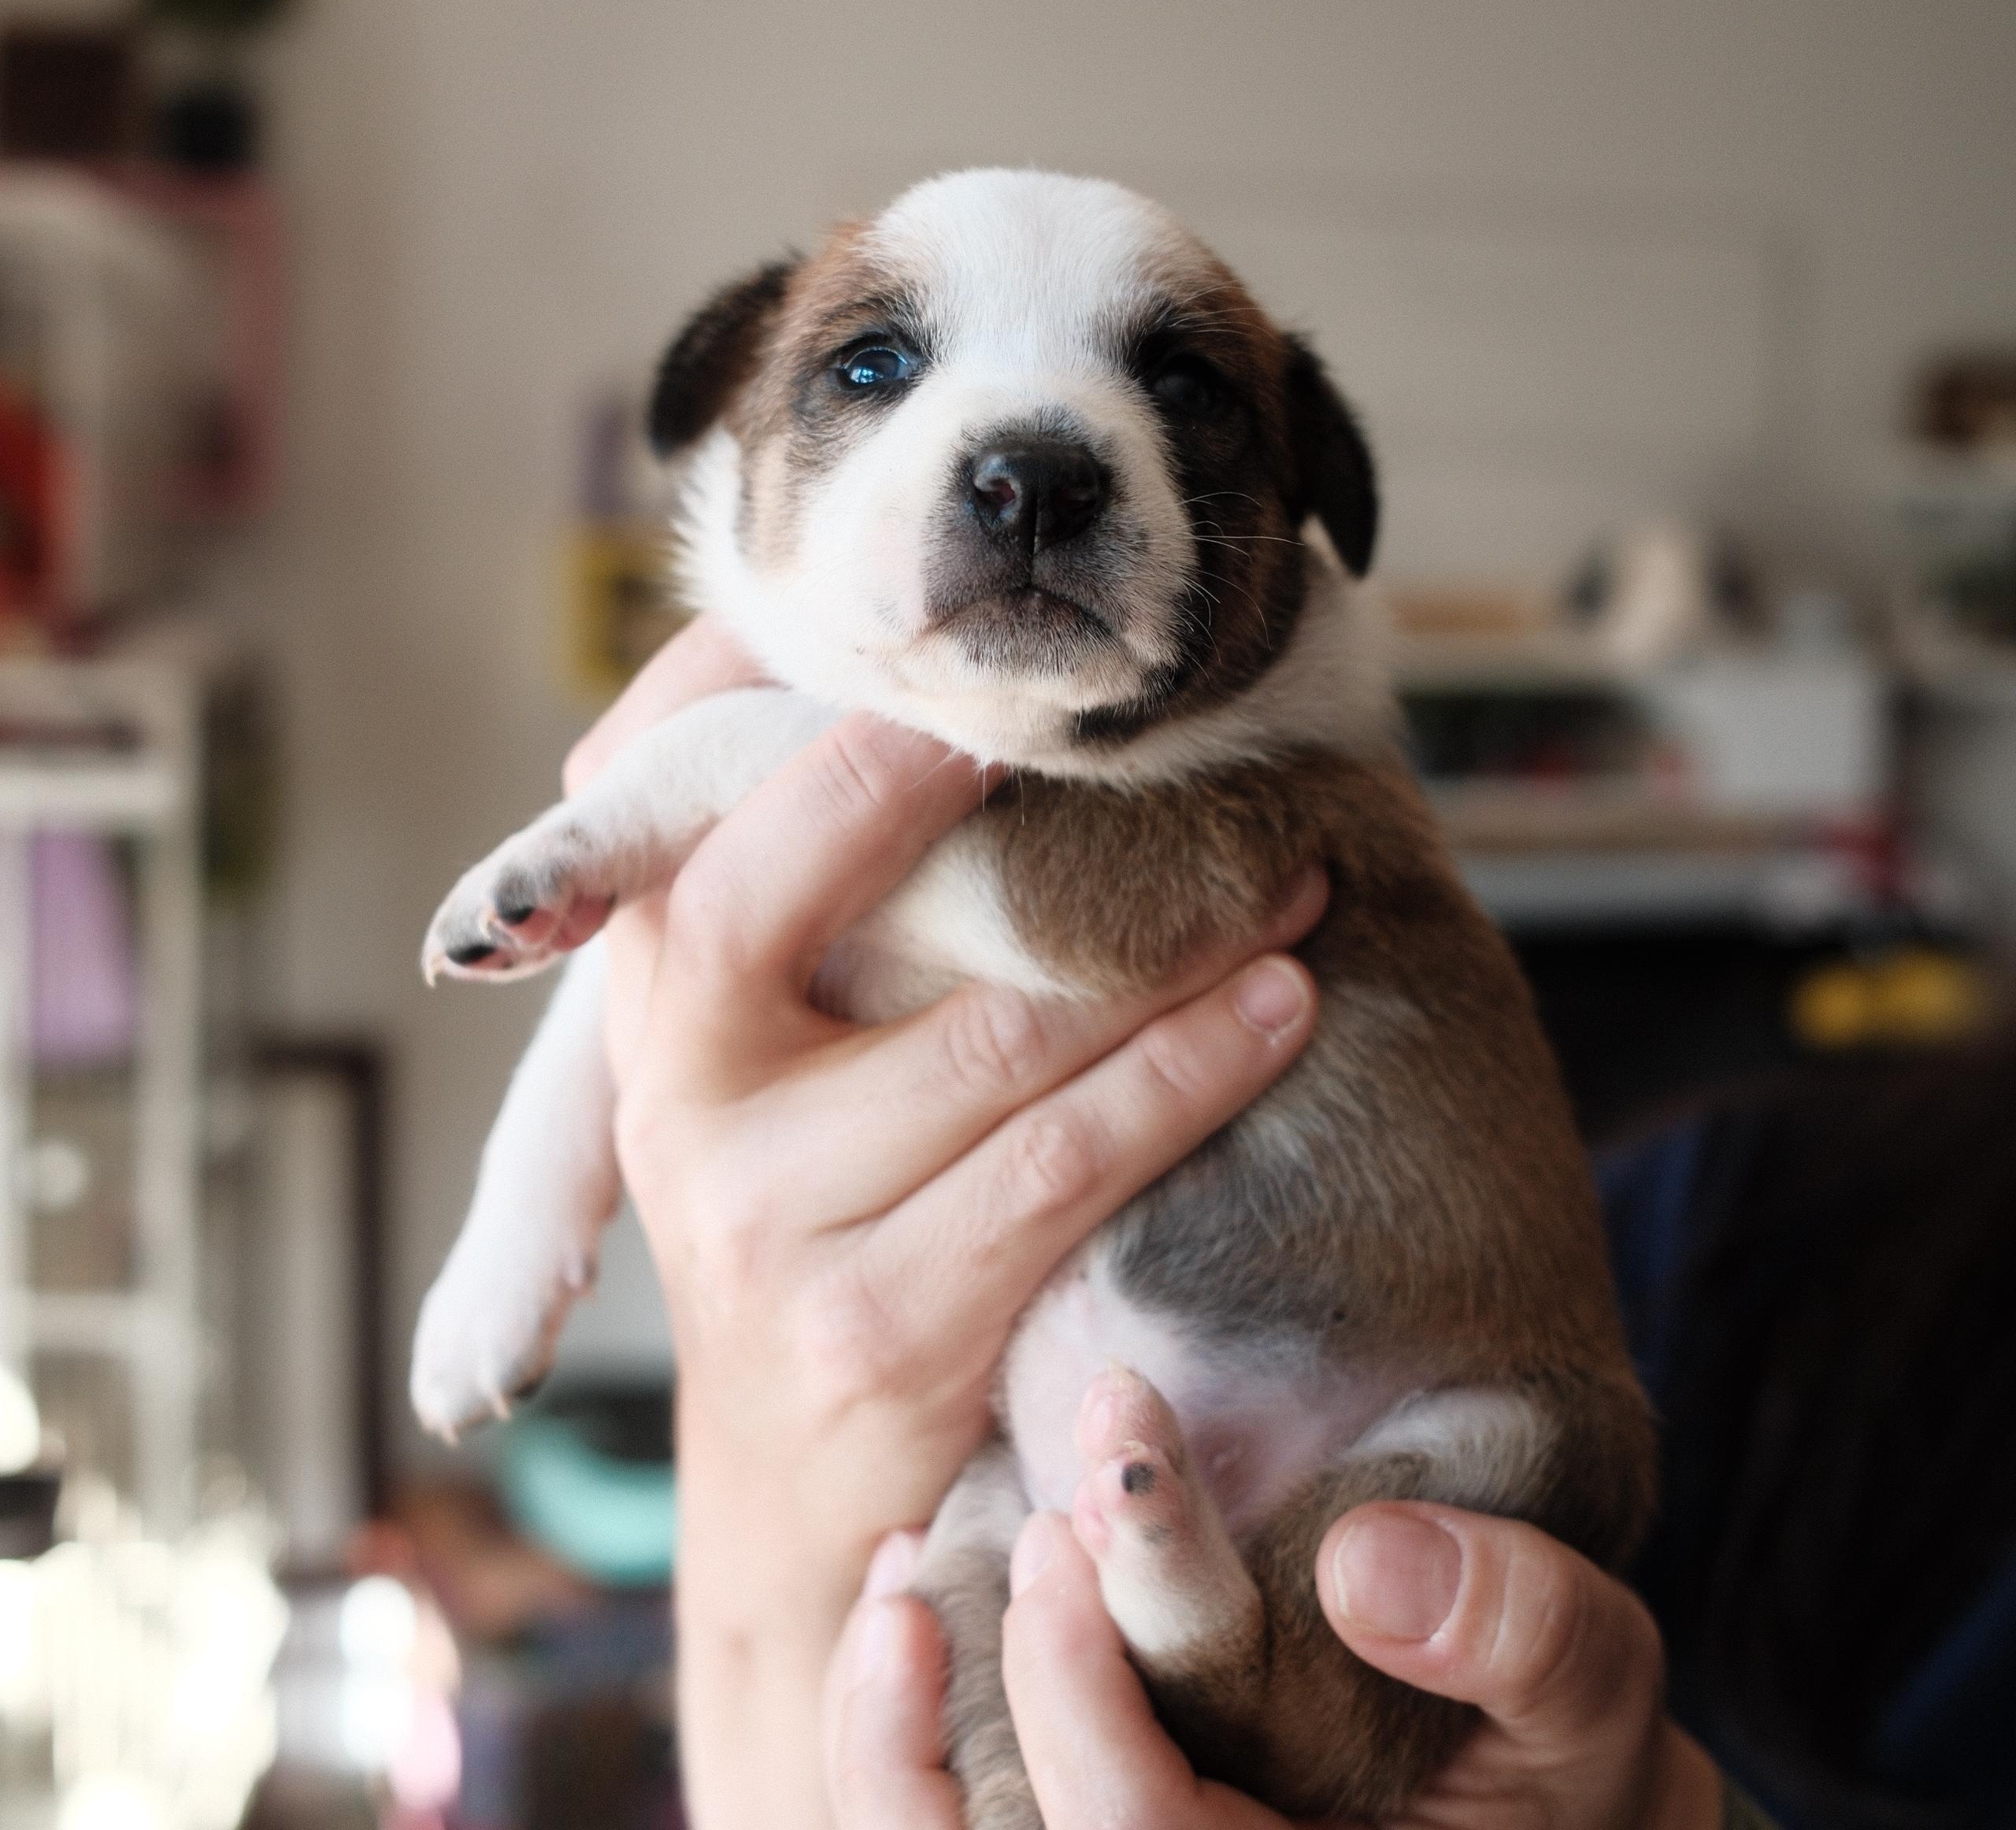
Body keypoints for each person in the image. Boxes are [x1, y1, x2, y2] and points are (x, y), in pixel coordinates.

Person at [571, 617, 1768, 1830]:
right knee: (983, 1659)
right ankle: (1176, 1652)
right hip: (1094, 1468)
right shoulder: (1711, 1213)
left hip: (1337, 1455)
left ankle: (1198, 1647)